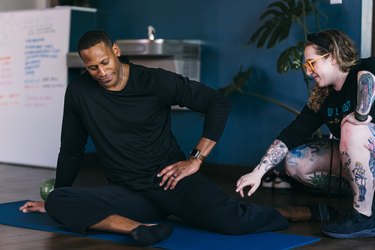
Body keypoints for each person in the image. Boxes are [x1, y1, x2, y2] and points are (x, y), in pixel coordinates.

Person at [19, 30, 326, 246]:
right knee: (58, 200)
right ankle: (139, 230)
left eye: (104, 62)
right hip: (129, 194)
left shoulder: (153, 81)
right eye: (91, 67)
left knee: (234, 223)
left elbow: (218, 103)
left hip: (170, 181)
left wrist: (195, 160)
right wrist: (56, 195)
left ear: (115, 51)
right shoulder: (79, 92)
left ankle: (296, 212)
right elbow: (71, 150)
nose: (100, 72)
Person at [236, 29, 375, 239]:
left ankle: (365, 216)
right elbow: (292, 134)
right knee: (295, 162)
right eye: (306, 66)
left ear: (334, 57)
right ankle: (361, 201)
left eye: (312, 63)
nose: (309, 72)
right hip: (363, 165)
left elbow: (368, 80)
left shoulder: (365, 68)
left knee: (352, 129)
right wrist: (258, 172)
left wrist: (361, 116)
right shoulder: (323, 97)